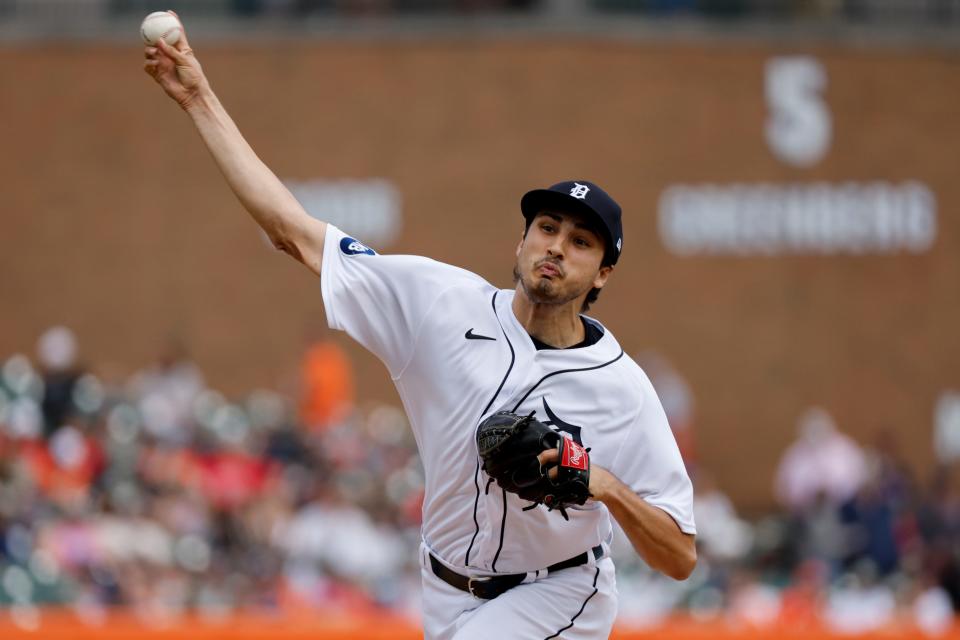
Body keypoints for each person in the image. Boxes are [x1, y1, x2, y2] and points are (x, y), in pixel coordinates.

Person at [144, 19, 696, 638]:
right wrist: (198, 98)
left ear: (604, 273)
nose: (556, 247)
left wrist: (603, 484)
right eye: (546, 227)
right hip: (442, 589)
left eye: (580, 240)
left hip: (561, 591)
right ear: (520, 238)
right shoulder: (437, 305)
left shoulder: (622, 389)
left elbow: (679, 555)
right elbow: (289, 229)